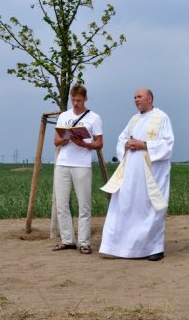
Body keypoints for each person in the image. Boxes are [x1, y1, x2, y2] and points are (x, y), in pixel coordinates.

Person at [99, 87, 174, 261]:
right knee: (126, 206)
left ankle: (154, 248)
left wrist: (145, 145)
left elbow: (168, 144)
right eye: (134, 97)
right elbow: (122, 139)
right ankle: (123, 248)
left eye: (139, 96)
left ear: (150, 98)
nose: (136, 99)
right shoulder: (133, 119)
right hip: (132, 172)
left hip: (152, 173)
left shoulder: (161, 117)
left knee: (150, 207)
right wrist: (126, 145)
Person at [52, 84, 103, 255]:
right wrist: (65, 139)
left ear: (85, 99)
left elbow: (99, 143)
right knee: (61, 204)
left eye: (79, 100)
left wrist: (84, 144)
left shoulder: (94, 118)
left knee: (84, 205)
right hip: (63, 163)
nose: (75, 103)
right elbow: (56, 140)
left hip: (82, 164)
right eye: (73, 100)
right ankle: (67, 240)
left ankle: (84, 242)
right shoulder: (64, 116)